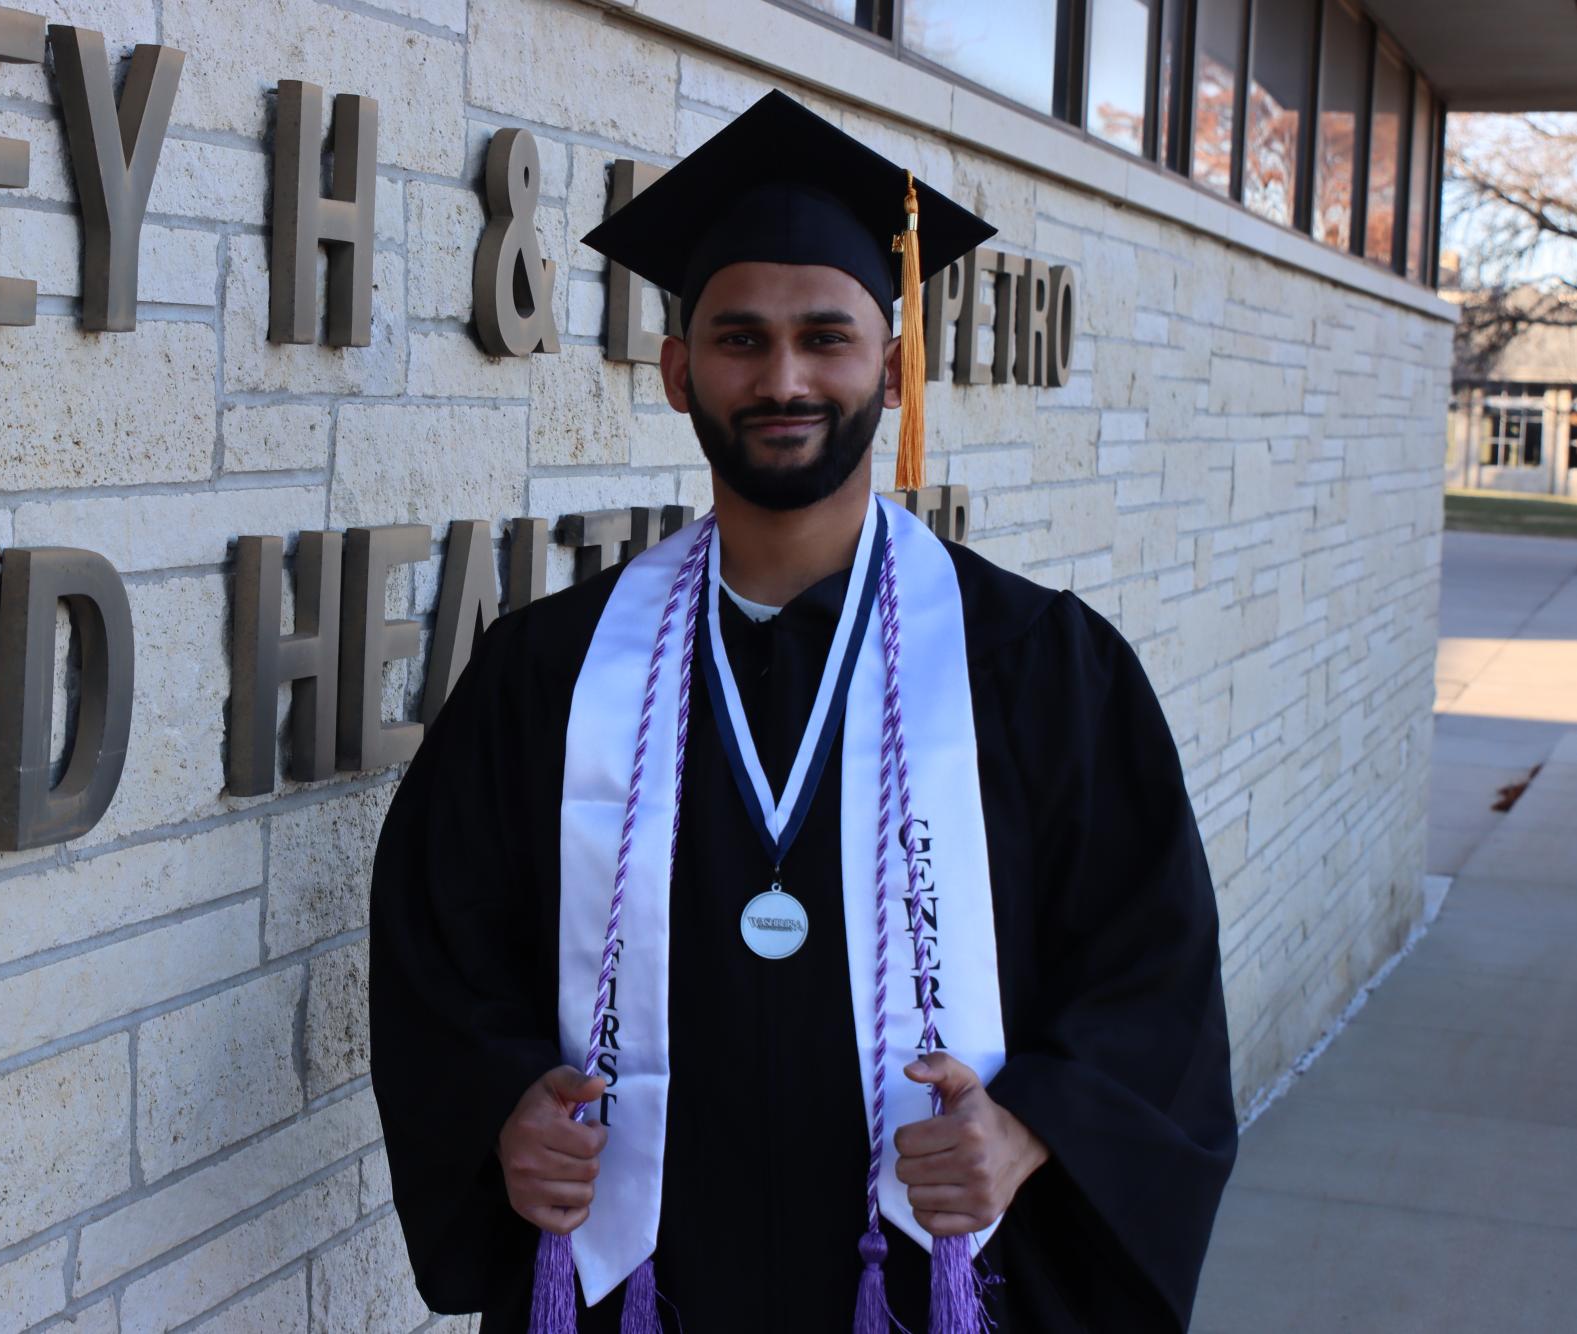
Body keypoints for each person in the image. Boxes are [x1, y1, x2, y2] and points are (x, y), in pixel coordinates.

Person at [369, 90, 1236, 1334]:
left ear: (890, 362)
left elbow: (1153, 968)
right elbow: (439, 957)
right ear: (679, 372)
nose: (783, 376)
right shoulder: (548, 673)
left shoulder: (1042, 667)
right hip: (649, 1292)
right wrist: (504, 1107)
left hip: (941, 1281)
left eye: (826, 336)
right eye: (740, 339)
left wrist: (1033, 1126)